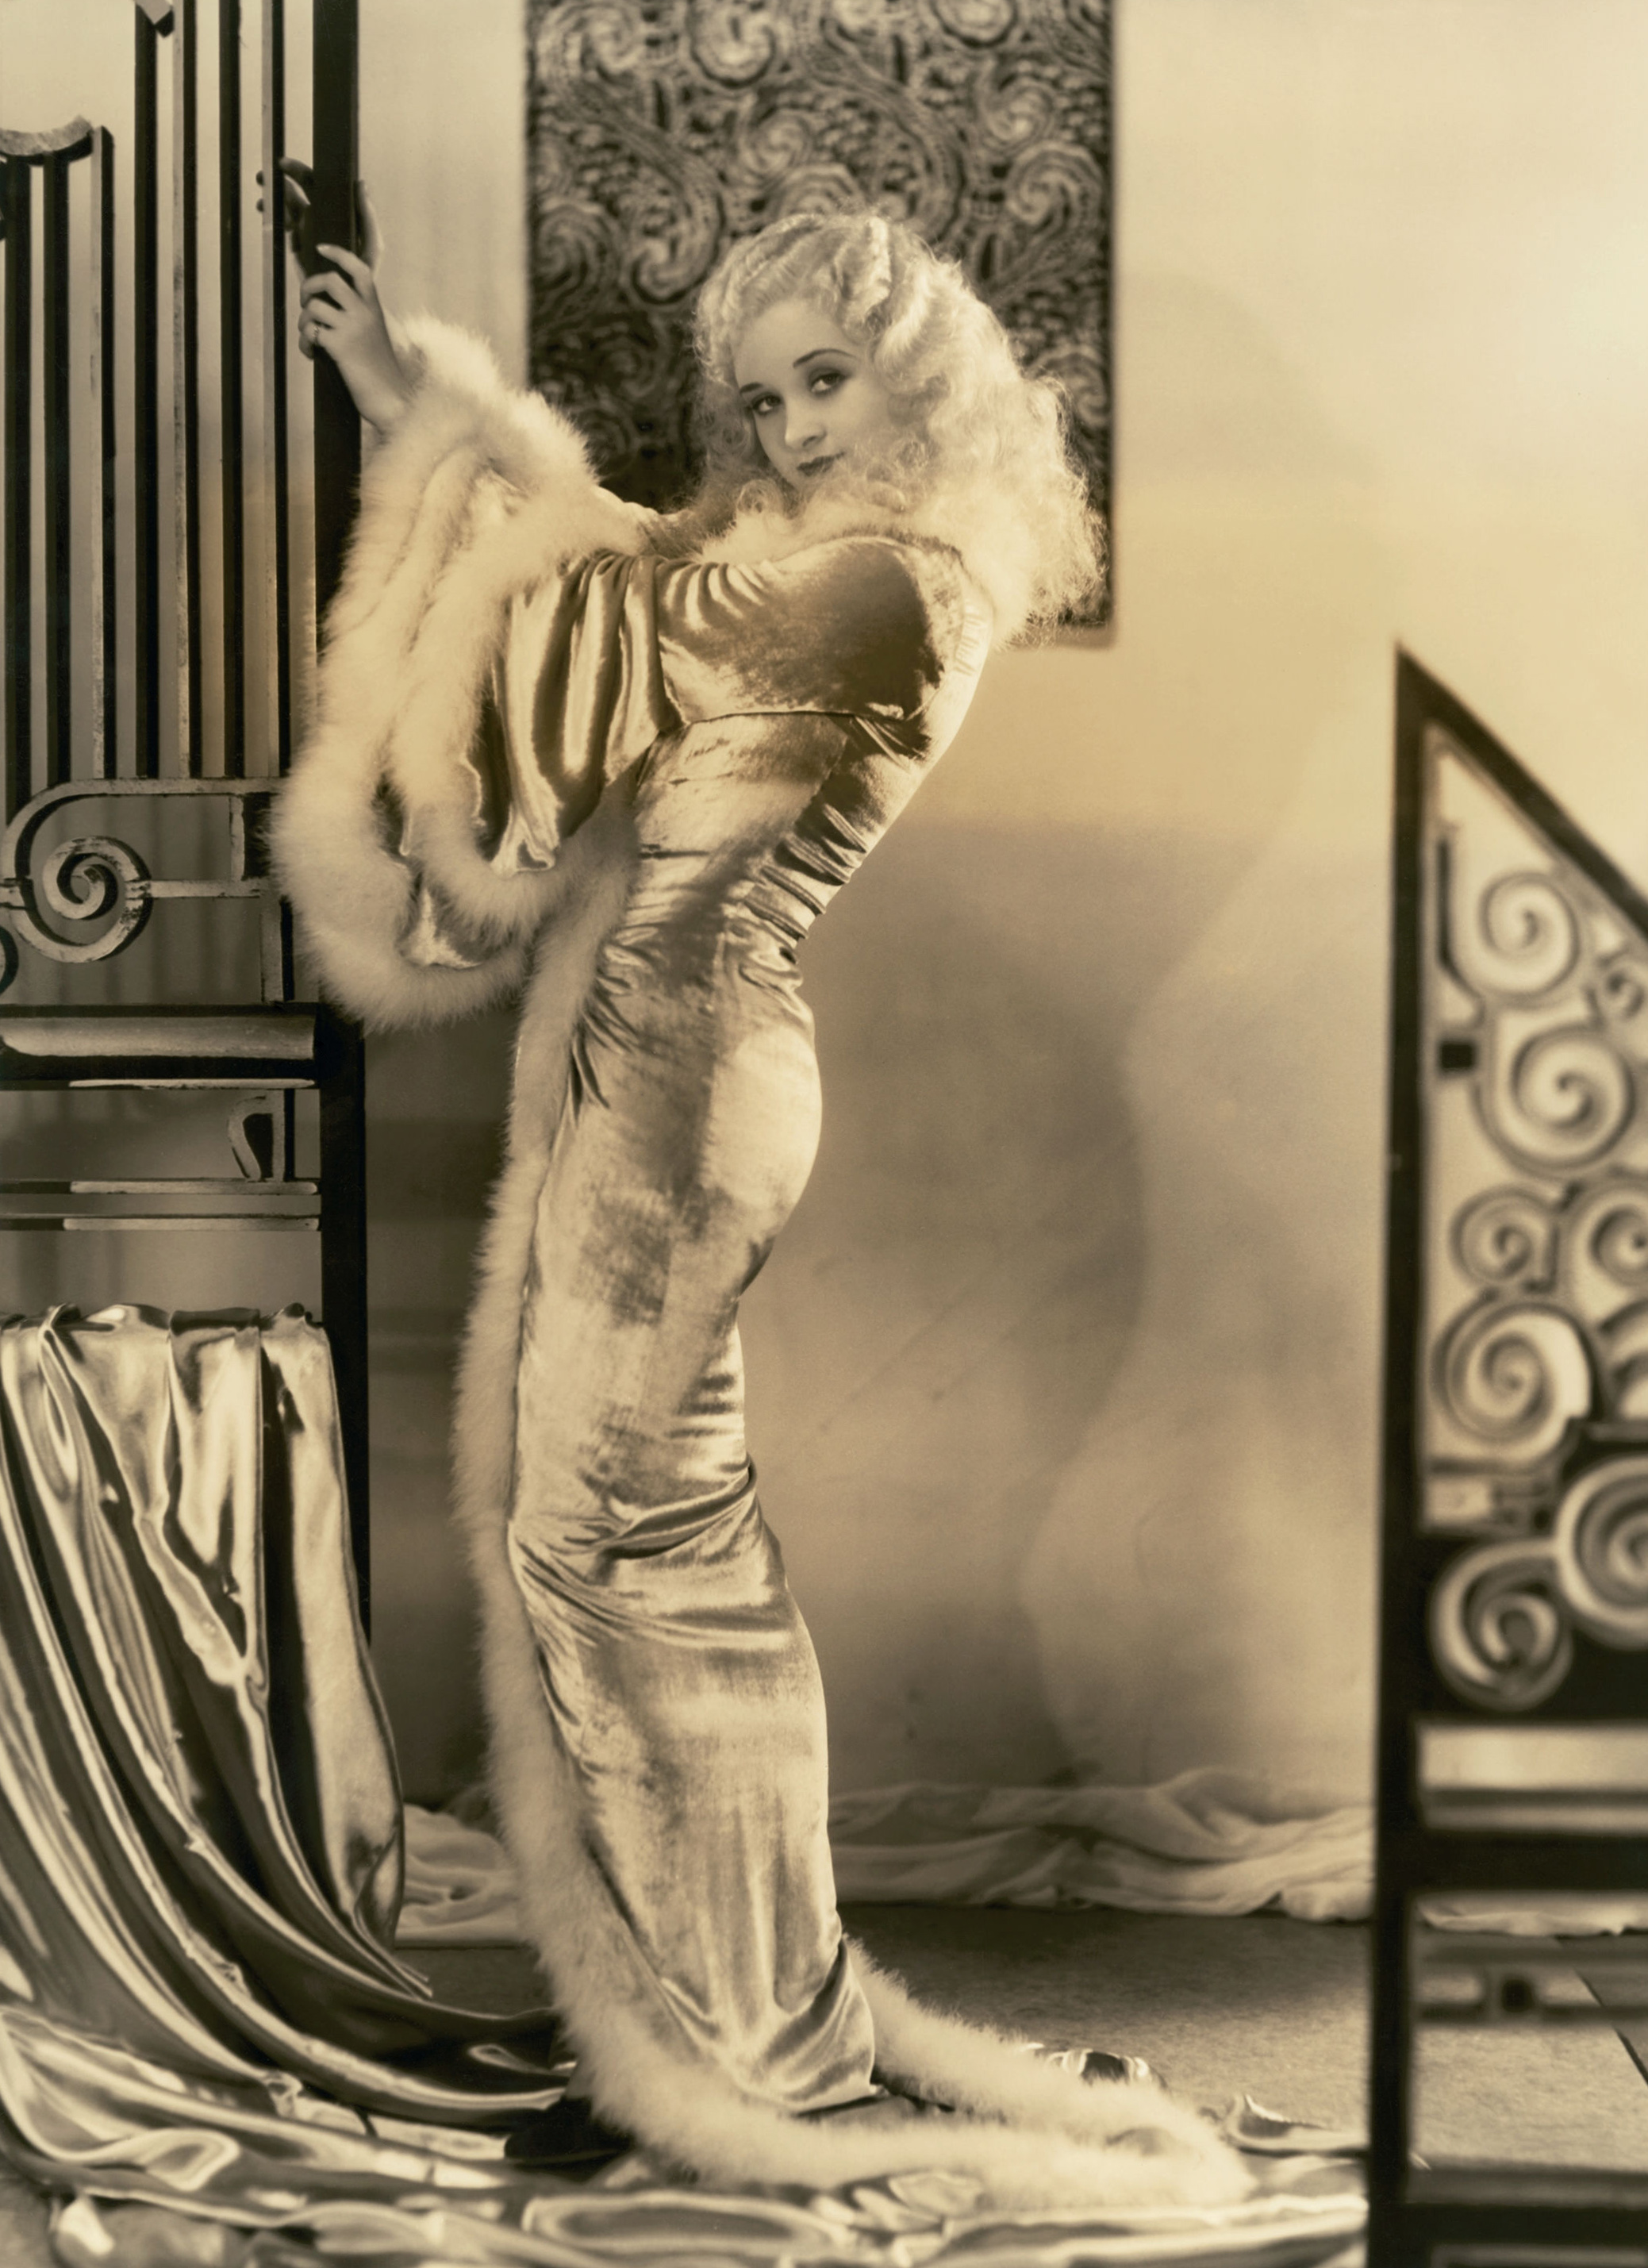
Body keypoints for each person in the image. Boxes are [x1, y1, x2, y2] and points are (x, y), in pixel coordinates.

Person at [271, 182, 1247, 2212]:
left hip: (689, 1082)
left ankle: (739, 2042)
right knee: (649, 1548)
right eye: (761, 395)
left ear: (919, 380)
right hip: (663, 1065)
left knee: (606, 1548)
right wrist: (412, 402)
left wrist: (455, 461)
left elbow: (598, 621)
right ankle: (733, 2012)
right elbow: (634, 567)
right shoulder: (808, 555)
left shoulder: (896, 584)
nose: (791, 428)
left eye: (828, 381)